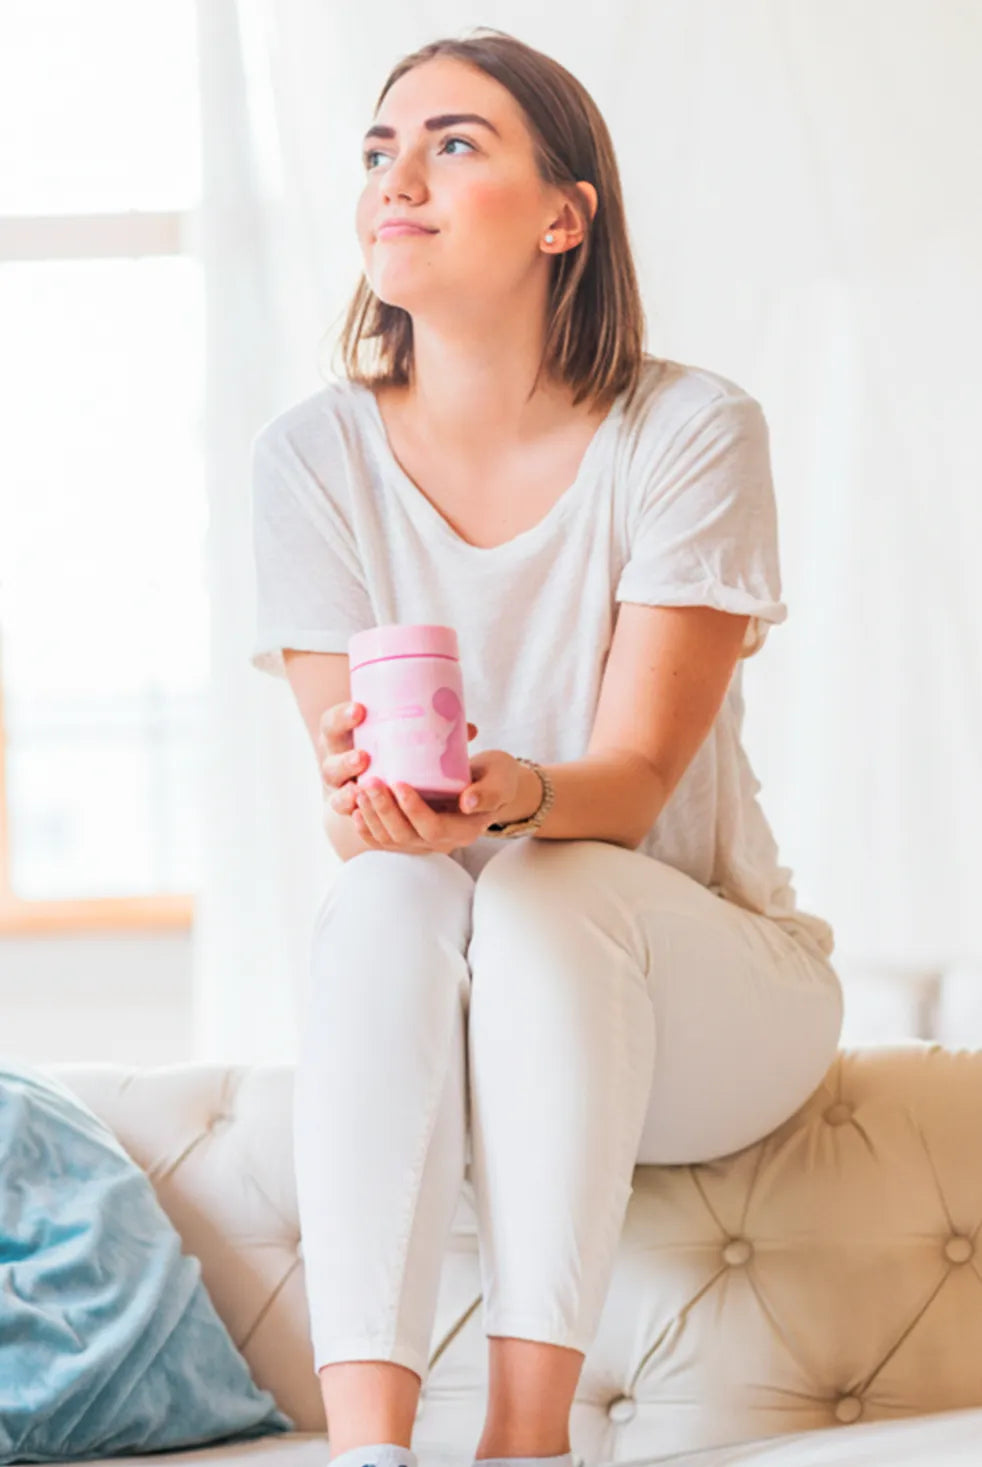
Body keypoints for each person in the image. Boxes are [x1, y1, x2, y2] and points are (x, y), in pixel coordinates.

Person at [249, 27, 844, 1467]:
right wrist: (385, 812)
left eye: (454, 144)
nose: (399, 176)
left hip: (705, 993)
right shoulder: (312, 459)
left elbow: (632, 786)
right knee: (388, 888)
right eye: (381, 149)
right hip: (458, 994)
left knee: (544, 881)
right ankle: (370, 1450)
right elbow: (356, 821)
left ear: (563, 216)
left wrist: (508, 795)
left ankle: (529, 1442)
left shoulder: (687, 430)